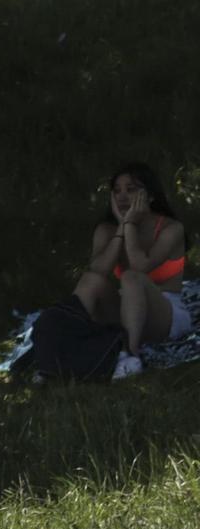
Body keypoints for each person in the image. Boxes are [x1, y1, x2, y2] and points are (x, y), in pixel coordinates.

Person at [71, 162, 191, 380]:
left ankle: (130, 356)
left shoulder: (171, 228)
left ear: (151, 196)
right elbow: (99, 270)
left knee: (131, 277)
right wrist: (121, 228)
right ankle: (67, 346)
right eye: (117, 190)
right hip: (129, 309)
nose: (122, 196)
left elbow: (139, 267)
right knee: (90, 280)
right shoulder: (105, 229)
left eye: (131, 189)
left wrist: (131, 227)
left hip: (166, 316)